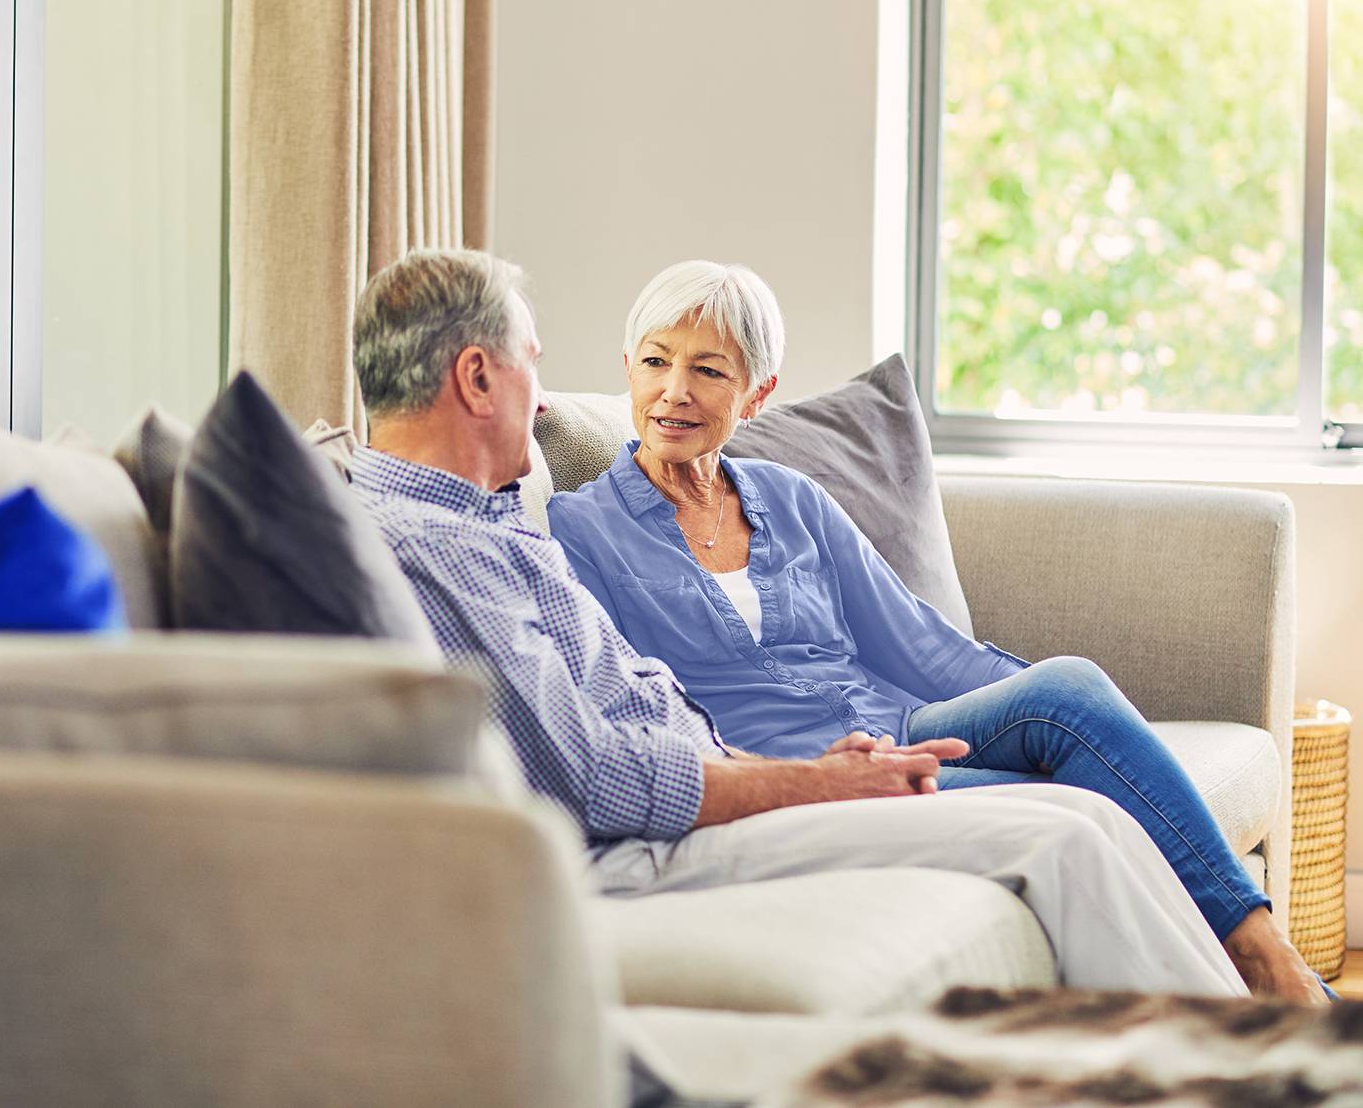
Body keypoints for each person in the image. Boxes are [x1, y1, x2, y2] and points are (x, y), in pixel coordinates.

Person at [346, 247, 1255, 1000]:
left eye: (709, 369)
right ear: (476, 377)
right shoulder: (476, 540)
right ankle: (1263, 1067)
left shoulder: (498, 521)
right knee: (1068, 828)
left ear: (755, 392)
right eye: (533, 365)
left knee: (1071, 749)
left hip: (763, 768)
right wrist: (813, 778)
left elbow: (912, 646)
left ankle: (1268, 1031)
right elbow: (595, 773)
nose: (543, 402)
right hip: (678, 826)